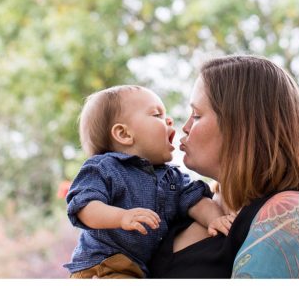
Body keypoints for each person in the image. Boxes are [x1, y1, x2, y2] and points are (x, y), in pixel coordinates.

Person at [148, 55, 299, 278]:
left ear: (241, 127)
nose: (186, 127)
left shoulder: (293, 214)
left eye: (197, 115)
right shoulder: (192, 203)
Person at [64, 85, 236, 278]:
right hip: (102, 265)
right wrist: (121, 217)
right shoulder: (104, 168)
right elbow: (84, 206)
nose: (169, 120)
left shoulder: (173, 177)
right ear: (124, 134)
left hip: (138, 270)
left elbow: (195, 200)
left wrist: (214, 219)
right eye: (157, 115)